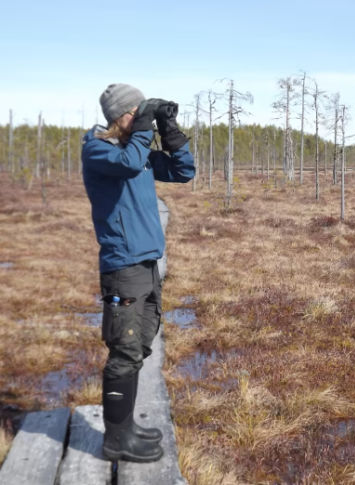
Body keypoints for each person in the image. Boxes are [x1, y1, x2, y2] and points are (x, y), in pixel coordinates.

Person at [81, 83, 195, 462]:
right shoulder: (99, 150)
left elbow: (183, 171)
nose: (142, 117)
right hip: (122, 269)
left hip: (147, 265)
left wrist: (168, 128)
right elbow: (129, 162)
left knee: (140, 344)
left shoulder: (138, 152)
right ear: (119, 117)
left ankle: (125, 426)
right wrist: (145, 127)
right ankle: (115, 440)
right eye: (137, 111)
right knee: (124, 350)